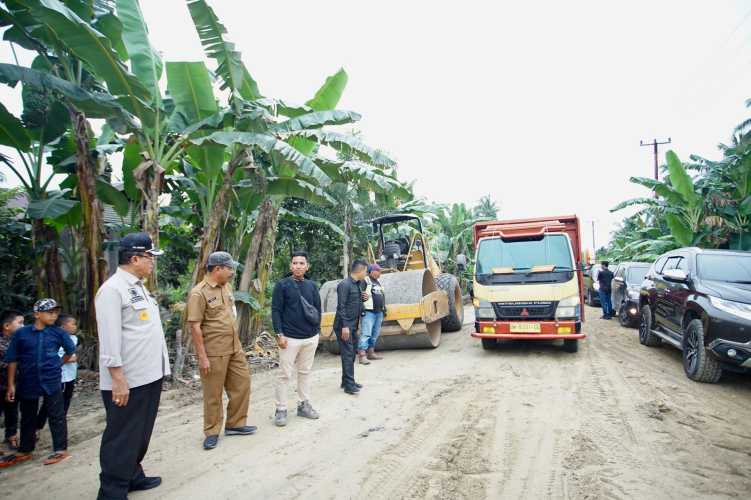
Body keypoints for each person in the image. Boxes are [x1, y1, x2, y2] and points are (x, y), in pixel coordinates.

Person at [95, 232, 170, 499]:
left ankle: (133, 476)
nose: (153, 263)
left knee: (140, 432)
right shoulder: (112, 290)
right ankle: (112, 491)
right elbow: (110, 339)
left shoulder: (137, 286)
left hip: (148, 375)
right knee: (121, 436)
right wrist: (118, 378)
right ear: (135, 258)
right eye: (150, 258)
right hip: (128, 379)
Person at [188, 251, 256, 450]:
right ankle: (212, 431)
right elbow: (194, 326)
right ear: (218, 269)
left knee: (242, 384)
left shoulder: (226, 287)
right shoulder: (198, 293)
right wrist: (202, 357)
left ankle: (235, 424)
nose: (232, 272)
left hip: (234, 347)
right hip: (214, 351)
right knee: (213, 393)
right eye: (229, 268)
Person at [0, 299, 75, 468]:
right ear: (36, 314)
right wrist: (11, 384)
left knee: (56, 415)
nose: (53, 315)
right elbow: (12, 359)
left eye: (56, 312)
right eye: (49, 312)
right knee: (27, 416)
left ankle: (61, 450)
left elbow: (70, 351)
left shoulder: (59, 333)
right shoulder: (22, 334)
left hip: (51, 379)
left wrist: (58, 364)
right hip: (28, 381)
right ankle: (25, 450)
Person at [270, 251, 322, 427]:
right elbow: (276, 310)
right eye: (295, 263)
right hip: (289, 338)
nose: (298, 266)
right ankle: (281, 409)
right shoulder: (282, 285)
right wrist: (279, 334)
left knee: (305, 372)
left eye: (302, 263)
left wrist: (317, 332)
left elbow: (317, 309)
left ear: (307, 266)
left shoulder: (312, 286)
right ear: (290, 266)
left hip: (310, 338)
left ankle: (303, 405)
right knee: (284, 374)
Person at [36, 314, 79, 432]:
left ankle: (60, 424)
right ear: (62, 326)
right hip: (59, 377)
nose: (75, 326)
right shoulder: (53, 338)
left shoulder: (74, 339)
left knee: (66, 400)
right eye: (73, 324)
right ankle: (38, 426)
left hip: (70, 376)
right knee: (49, 403)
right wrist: (70, 359)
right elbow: (54, 357)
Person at [334, 260, 369, 394]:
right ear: (360, 271)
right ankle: (349, 386)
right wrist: (345, 326)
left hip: (353, 324)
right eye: (365, 272)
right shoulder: (344, 285)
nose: (366, 274)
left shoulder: (359, 284)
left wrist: (363, 298)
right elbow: (341, 307)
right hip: (344, 326)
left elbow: (355, 302)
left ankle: (347, 381)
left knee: (352, 352)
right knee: (348, 354)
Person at [0, 310, 24, 450]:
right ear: (7, 326)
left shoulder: (19, 341)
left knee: (12, 411)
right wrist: (12, 364)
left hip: (15, 383)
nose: (23, 326)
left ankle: (11, 436)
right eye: (20, 323)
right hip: (2, 384)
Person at [358, 264, 386, 365]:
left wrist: (384, 309)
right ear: (371, 271)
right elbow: (358, 292)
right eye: (377, 270)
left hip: (379, 312)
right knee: (366, 333)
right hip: (369, 312)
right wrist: (361, 297)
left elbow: (382, 296)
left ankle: (371, 352)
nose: (380, 272)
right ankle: (362, 355)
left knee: (374, 334)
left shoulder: (378, 282)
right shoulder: (365, 280)